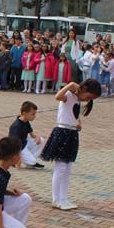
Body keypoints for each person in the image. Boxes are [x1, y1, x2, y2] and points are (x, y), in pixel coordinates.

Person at [41, 79, 102, 211]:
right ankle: (56, 199)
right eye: (89, 97)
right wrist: (70, 86)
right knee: (61, 167)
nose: (88, 100)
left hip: (72, 133)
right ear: (84, 88)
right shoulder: (69, 95)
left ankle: (64, 198)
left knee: (67, 168)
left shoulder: (77, 99)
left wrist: (77, 122)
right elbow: (57, 97)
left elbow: (72, 113)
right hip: (62, 132)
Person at [8, 101, 45, 169]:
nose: (34, 116)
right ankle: (27, 161)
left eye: (35, 114)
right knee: (32, 162)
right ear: (24, 114)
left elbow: (32, 135)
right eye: (32, 114)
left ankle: (30, 161)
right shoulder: (16, 126)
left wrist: (37, 137)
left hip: (24, 143)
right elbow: (15, 145)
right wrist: (17, 162)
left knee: (41, 140)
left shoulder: (26, 121)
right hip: (17, 148)